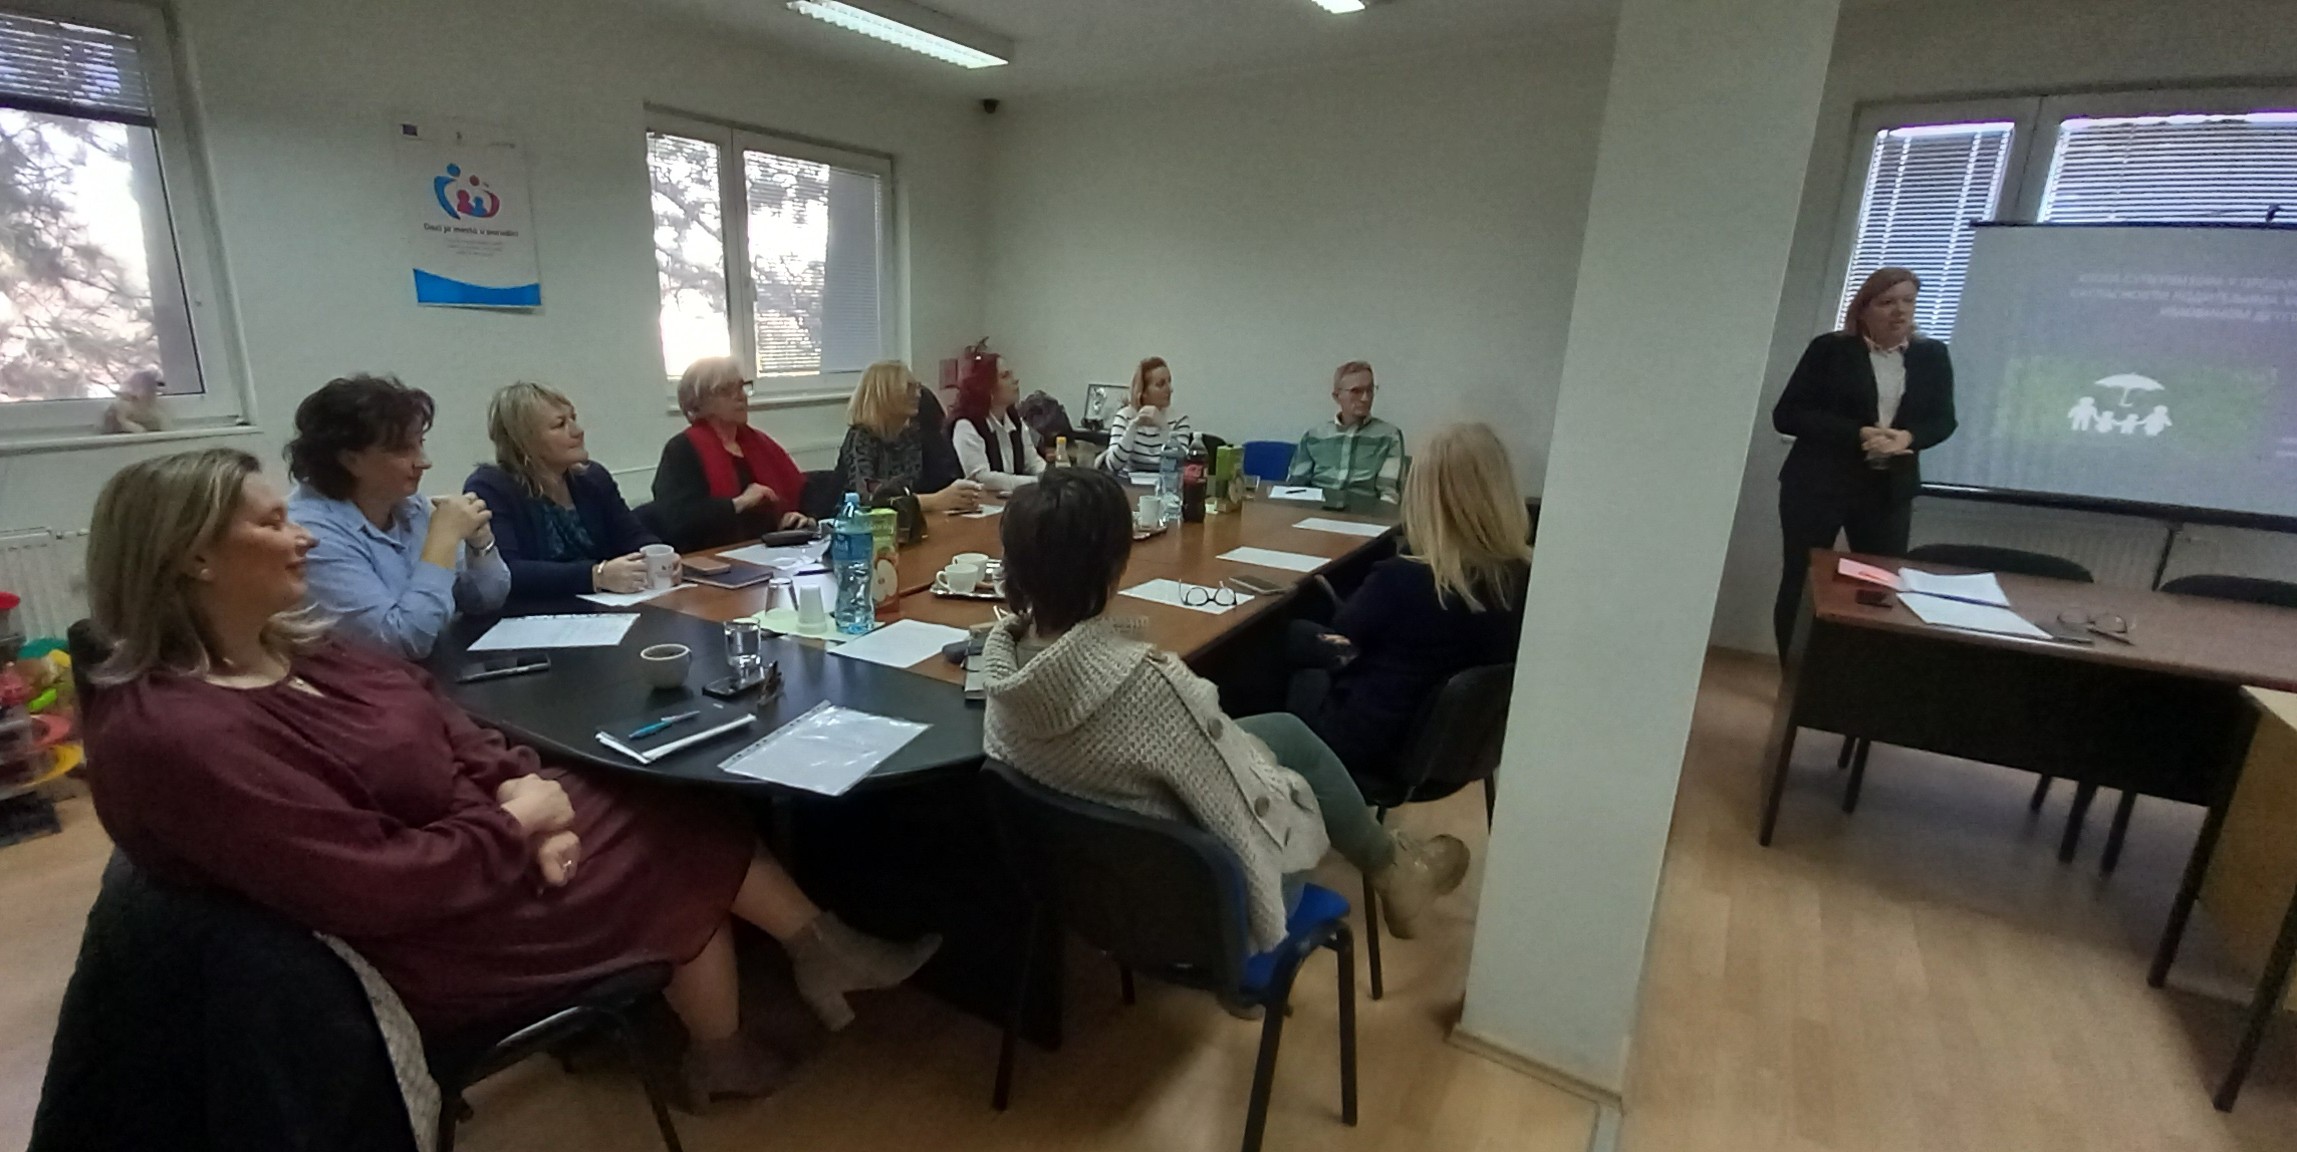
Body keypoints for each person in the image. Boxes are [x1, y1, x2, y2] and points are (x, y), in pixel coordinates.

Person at [80, 448, 939, 1106]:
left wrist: (521, 789)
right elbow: (371, 887)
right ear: (193, 559)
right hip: (433, 931)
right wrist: (517, 827)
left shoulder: (292, 645)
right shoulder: (177, 735)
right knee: (681, 832)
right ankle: (778, 996)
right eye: (272, 524)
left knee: (667, 803)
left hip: (477, 845)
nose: (302, 534)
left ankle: (764, 1007)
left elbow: (437, 716)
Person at [979, 467, 1470, 950]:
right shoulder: (1152, 687)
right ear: (1114, 566)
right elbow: (1239, 811)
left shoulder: (1003, 670)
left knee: (1285, 732)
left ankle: (1392, 865)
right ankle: (1394, 870)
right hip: (1205, 909)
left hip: (1082, 891)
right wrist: (1292, 794)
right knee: (1281, 768)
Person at [1287, 424, 1530, 789]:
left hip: (1370, 747)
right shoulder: (1525, 580)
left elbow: (1343, 631)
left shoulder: (1404, 579)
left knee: (1276, 644)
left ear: (1425, 497)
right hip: (1460, 749)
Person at [1771, 267, 1957, 657]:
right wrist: (1857, 433)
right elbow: (1788, 415)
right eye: (1887, 302)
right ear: (1864, 309)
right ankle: (1794, 676)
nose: (1900, 311)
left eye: (1908, 301)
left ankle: (1856, 676)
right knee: (1802, 580)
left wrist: (1908, 438)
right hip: (1818, 485)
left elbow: (1943, 420)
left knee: (1879, 585)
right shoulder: (1830, 349)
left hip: (1887, 489)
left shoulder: (1932, 355)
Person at [285, 374, 509, 660]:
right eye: (403, 450)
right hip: (363, 682)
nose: (424, 462)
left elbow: (484, 600)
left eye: (420, 443)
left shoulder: (408, 507)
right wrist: (443, 539)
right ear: (350, 460)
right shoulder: (309, 535)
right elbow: (400, 642)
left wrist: (481, 544)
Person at [464, 382, 665, 600]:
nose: (578, 431)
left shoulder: (593, 478)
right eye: (560, 425)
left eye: (573, 419)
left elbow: (631, 534)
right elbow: (507, 572)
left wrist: (658, 554)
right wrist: (595, 576)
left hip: (607, 607)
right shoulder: (491, 487)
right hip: (533, 613)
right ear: (524, 441)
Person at [649, 356, 811, 552]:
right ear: (698, 403)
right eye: (726, 390)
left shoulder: (759, 443)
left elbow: (801, 492)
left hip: (771, 550)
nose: (740, 396)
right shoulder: (681, 450)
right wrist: (738, 503)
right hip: (711, 556)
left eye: (741, 387)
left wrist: (798, 517)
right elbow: (677, 519)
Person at [835, 361, 985, 512]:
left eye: (917, 387)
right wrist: (935, 500)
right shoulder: (860, 438)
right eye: (909, 388)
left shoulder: (911, 435)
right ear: (886, 394)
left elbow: (929, 485)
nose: (918, 395)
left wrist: (959, 496)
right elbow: (868, 499)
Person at [1287, 361, 1404, 500]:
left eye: (1370, 390)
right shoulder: (1314, 436)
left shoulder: (1389, 436)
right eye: (1356, 391)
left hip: (1364, 509)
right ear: (1337, 396)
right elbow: (1293, 488)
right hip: (1317, 508)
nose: (1365, 398)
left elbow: (1389, 493)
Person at [947, 344, 1046, 493]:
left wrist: (1051, 476)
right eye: (1005, 376)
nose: (1015, 380)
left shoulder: (1015, 421)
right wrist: (1036, 481)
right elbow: (982, 478)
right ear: (987, 387)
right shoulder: (966, 426)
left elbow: (1033, 462)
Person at [1098, 357, 1193, 476]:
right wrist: (1133, 426)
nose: (1169, 389)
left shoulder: (1180, 419)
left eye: (1169, 382)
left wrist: (1163, 426)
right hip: (1129, 483)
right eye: (1161, 384)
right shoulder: (1124, 416)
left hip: (1166, 483)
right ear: (1143, 392)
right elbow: (1113, 465)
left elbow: (1181, 465)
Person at [100, 368, 166, 435]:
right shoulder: (124, 404)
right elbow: (121, 420)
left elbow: (158, 417)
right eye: (148, 390)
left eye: (152, 391)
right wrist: (138, 429)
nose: (151, 395)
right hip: (119, 432)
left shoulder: (150, 403)